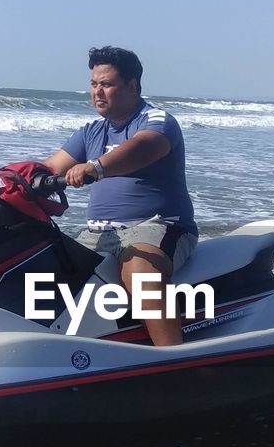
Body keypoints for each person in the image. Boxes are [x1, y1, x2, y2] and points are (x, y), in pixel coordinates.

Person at [45, 46, 197, 346]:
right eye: (93, 84)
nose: (97, 92)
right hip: (97, 232)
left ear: (132, 85)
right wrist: (10, 178)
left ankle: (176, 359)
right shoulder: (91, 131)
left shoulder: (156, 121)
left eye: (107, 84)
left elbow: (144, 148)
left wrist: (97, 167)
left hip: (156, 226)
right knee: (42, 265)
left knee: (140, 272)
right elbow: (49, 167)